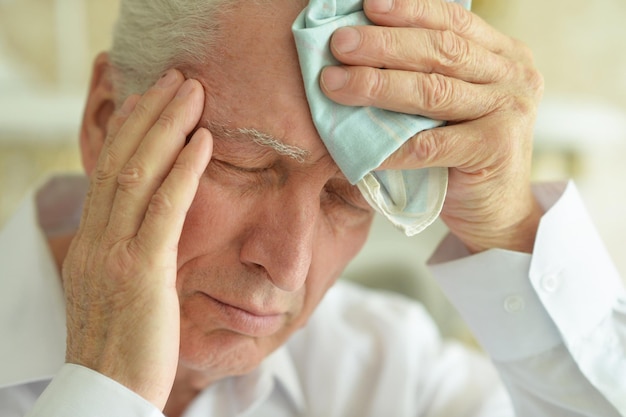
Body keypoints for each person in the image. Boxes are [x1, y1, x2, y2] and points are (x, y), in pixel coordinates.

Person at [1, 0, 625, 415]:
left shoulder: (392, 376)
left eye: (351, 195)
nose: (289, 266)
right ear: (106, 119)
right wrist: (106, 388)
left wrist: (510, 230)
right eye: (242, 165)